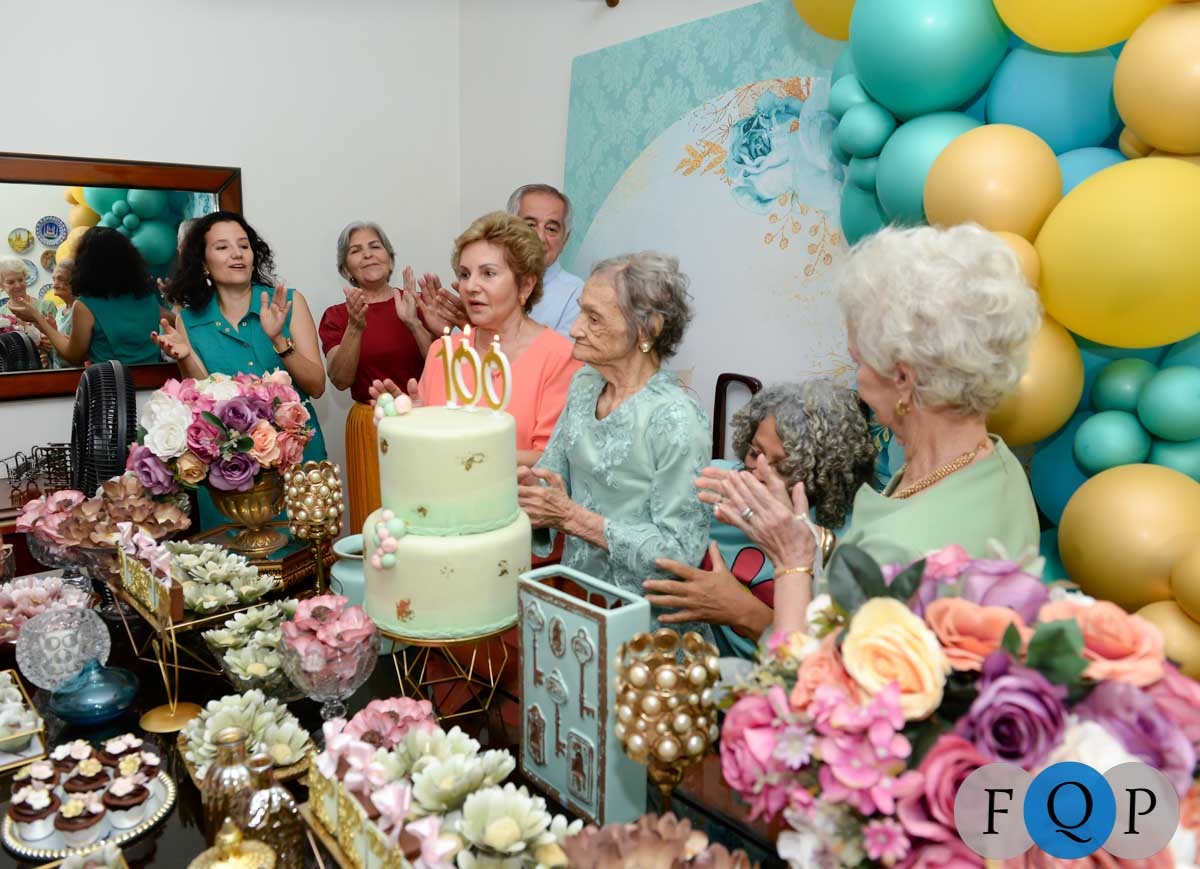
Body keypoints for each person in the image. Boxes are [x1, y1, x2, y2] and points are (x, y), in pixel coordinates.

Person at [697, 224, 1042, 635]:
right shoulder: (995, 465)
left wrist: (791, 561)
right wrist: (810, 537)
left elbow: (799, 669)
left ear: (903, 380)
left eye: (858, 361)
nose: (857, 381)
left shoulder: (898, 548)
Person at [516, 251, 714, 639]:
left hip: (645, 631)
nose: (575, 329)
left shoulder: (676, 417)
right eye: (581, 312)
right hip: (579, 605)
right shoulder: (584, 384)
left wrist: (572, 518)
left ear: (647, 330)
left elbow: (679, 556)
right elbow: (549, 478)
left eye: (594, 318)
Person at [645, 380, 876, 658]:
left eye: (784, 466)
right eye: (755, 453)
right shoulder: (716, 485)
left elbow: (819, 660)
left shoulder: (845, 540)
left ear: (823, 476)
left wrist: (742, 611)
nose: (758, 471)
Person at [373, 212, 579, 468]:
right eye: (464, 274)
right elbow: (426, 445)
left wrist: (463, 451)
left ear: (526, 285)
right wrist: (413, 421)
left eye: (488, 273)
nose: (470, 286)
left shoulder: (559, 357)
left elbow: (550, 460)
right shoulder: (442, 351)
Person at [150, 211, 327, 462]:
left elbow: (317, 386)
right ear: (203, 263)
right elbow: (205, 403)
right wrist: (185, 356)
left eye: (244, 246)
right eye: (222, 247)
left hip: (297, 457)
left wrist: (278, 339)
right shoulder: (188, 321)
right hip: (234, 465)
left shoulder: (288, 303)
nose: (237, 253)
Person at [320, 221, 443, 532]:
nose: (367, 255)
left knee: (425, 512)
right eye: (356, 250)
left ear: (390, 258)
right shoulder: (337, 316)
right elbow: (340, 379)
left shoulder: (417, 303)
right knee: (376, 519)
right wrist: (355, 327)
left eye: (375, 246)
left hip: (421, 418)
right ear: (345, 268)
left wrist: (413, 323)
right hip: (369, 425)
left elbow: (441, 368)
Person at [9, 229, 161, 367]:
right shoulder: (149, 298)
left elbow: (74, 356)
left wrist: (38, 318)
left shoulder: (86, 305)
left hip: (113, 383)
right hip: (154, 379)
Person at [507, 184, 583, 339]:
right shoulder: (487, 280)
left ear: (565, 240)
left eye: (551, 229)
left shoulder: (578, 294)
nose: (540, 238)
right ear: (507, 230)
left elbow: (561, 353)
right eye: (530, 225)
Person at [48, 259, 76, 368]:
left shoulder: (82, 309)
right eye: (54, 279)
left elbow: (79, 351)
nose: (54, 285)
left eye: (60, 279)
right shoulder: (60, 311)